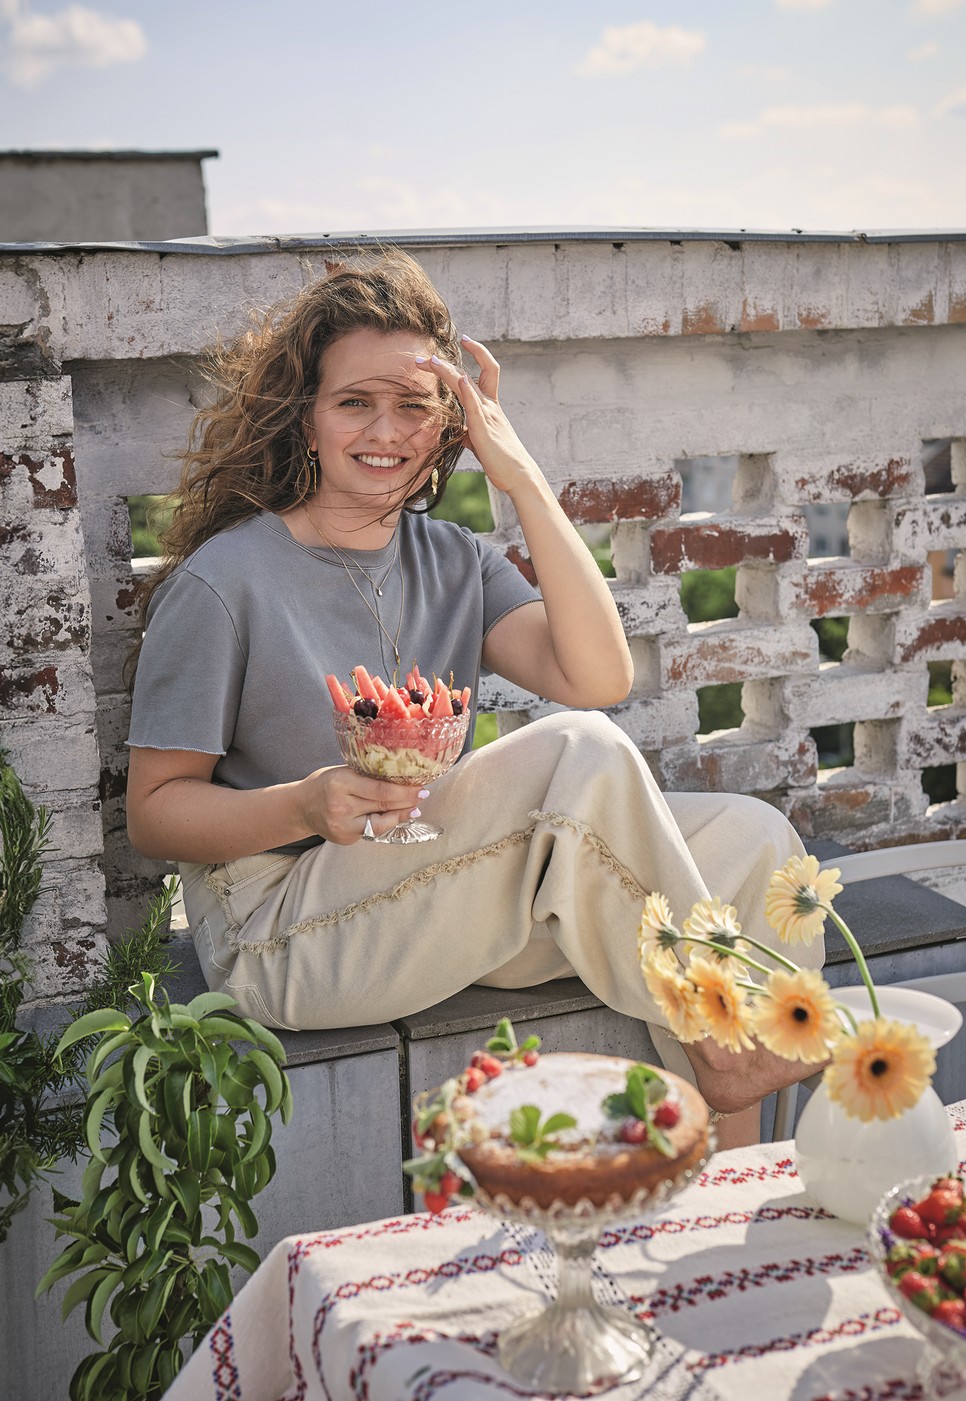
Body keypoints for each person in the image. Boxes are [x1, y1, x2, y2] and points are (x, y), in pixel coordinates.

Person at [126, 249, 823, 1148]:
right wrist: (303, 801)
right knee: (581, 753)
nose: (387, 429)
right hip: (284, 931)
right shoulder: (226, 581)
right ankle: (728, 1045)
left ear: (451, 422)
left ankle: (734, 1199)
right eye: (354, 402)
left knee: (753, 841)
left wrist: (520, 473)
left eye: (415, 404)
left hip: (432, 888)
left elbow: (598, 676)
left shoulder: (452, 560)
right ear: (307, 419)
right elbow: (154, 812)